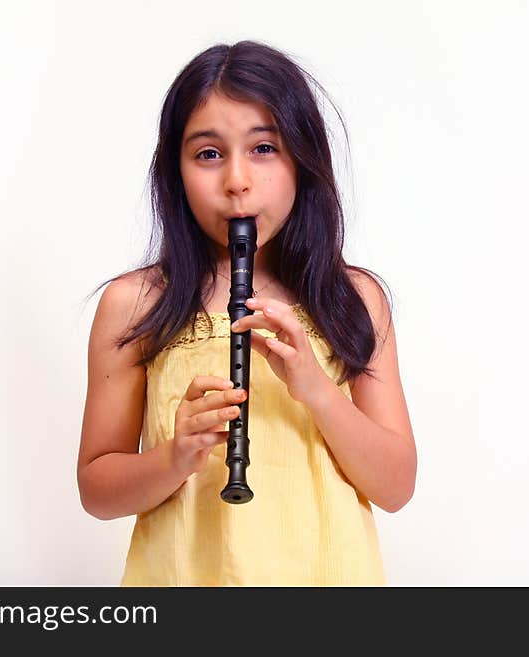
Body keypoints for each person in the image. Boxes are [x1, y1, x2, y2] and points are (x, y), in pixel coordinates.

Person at [77, 40, 416, 586]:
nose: (237, 179)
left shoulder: (353, 298)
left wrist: (316, 389)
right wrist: (173, 458)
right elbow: (96, 489)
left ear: (302, 160)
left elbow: (396, 485)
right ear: (176, 172)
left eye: (264, 148)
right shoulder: (135, 305)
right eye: (208, 153)